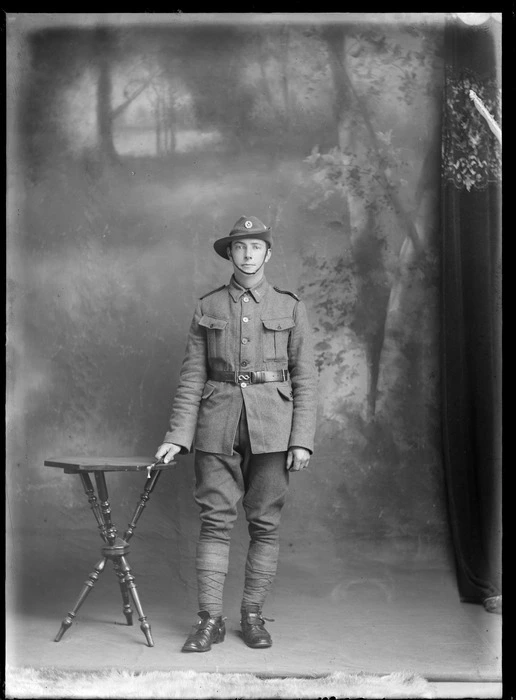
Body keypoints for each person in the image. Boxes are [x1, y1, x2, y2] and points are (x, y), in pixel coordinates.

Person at [155, 215, 317, 652]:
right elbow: (192, 377)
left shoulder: (290, 306)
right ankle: (210, 619)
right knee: (215, 522)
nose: (247, 255)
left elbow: (306, 377)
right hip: (216, 424)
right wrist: (177, 435)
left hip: (274, 430)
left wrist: (301, 438)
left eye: (256, 247)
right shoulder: (208, 307)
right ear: (229, 253)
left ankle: (252, 615)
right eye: (239, 247)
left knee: (264, 523)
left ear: (269, 253)